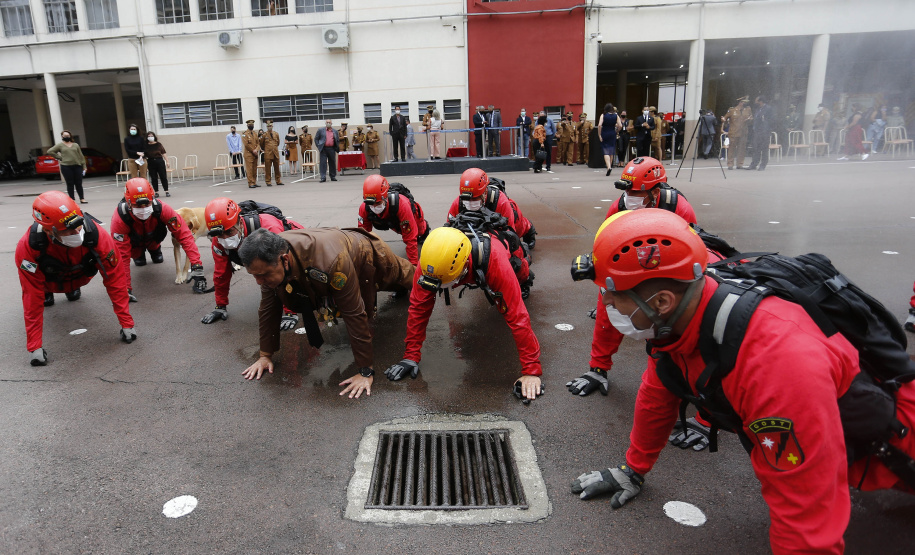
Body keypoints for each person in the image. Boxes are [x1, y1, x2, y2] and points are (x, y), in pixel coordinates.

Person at [570, 208, 915, 554]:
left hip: (900, 451)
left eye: (612, 295)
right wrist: (633, 468)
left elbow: (805, 515)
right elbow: (658, 391)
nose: (607, 302)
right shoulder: (681, 317)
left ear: (661, 301)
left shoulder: (775, 363)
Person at [568, 157, 697, 399]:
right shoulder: (619, 208)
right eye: (625, 190)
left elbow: (689, 257)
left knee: (681, 317)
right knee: (607, 305)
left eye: (635, 191)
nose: (628, 196)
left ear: (656, 191)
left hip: (667, 265)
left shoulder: (679, 209)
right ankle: (598, 368)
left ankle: (685, 375)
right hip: (629, 261)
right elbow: (605, 248)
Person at [238, 227, 415, 399]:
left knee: (406, 278)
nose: (259, 282)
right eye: (254, 275)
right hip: (337, 249)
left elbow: (354, 313)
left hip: (368, 253)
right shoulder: (268, 260)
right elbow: (268, 309)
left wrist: (365, 371)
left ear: (284, 260)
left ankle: (432, 276)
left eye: (263, 275)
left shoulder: (332, 263)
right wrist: (265, 355)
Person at [383, 227, 543, 402]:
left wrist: (531, 370)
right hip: (462, 262)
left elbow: (518, 317)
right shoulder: (432, 263)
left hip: (502, 253)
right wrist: (410, 356)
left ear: (464, 267)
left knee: (521, 272)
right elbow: (418, 309)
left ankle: (524, 262)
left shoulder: (496, 262)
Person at [16, 191, 136, 366]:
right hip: (48, 281)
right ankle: (49, 293)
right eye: (68, 230)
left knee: (74, 295)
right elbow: (31, 296)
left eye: (78, 225)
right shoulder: (28, 248)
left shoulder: (96, 235)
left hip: (79, 276)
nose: (76, 232)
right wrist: (34, 347)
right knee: (42, 299)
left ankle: (72, 289)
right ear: (49, 230)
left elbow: (115, 279)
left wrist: (127, 323)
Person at [199, 196, 303, 326]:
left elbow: (285, 269)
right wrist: (220, 306)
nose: (225, 238)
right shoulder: (219, 240)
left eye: (229, 232)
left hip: (299, 247)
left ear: (240, 223)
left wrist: (290, 311)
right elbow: (221, 274)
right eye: (220, 234)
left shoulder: (269, 227)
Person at [110, 177, 207, 299]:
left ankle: (155, 249)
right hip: (134, 244)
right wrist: (125, 289)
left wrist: (197, 266)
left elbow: (184, 235)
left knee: (157, 256)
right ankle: (139, 254)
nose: (144, 208)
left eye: (147, 204)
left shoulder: (162, 208)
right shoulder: (120, 218)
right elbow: (121, 255)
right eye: (138, 205)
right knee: (139, 260)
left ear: (152, 198)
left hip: (154, 238)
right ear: (128, 203)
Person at [446, 168, 534, 296]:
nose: (470, 203)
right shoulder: (459, 203)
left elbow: (512, 239)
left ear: (485, 192)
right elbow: (449, 232)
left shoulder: (501, 202)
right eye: (467, 200)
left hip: (507, 224)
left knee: (516, 258)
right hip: (482, 233)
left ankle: (525, 280)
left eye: (475, 200)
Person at [357, 175, 429, 266]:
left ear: (386, 197)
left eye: (378, 203)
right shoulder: (364, 208)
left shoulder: (402, 205)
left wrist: (413, 266)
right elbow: (363, 237)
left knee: (419, 232)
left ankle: (425, 229)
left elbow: (410, 238)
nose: (374, 207)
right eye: (371, 203)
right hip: (390, 220)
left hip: (413, 215)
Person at [47, 130, 87, 204]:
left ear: (70, 136)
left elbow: (81, 156)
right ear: (62, 136)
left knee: (79, 183)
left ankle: (82, 198)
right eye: (65, 136)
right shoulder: (60, 145)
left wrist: (84, 166)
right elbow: (50, 151)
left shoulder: (75, 145)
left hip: (77, 166)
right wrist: (60, 158)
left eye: (68, 136)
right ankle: (72, 199)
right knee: (70, 183)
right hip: (66, 167)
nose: (66, 137)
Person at [748, 96, 775, 171]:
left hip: (765, 131)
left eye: (756, 101)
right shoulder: (757, 109)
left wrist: (765, 123)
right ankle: (754, 164)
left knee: (764, 148)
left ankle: (763, 165)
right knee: (756, 148)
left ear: (761, 101)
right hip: (757, 131)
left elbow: (771, 120)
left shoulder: (768, 109)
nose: (755, 102)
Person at [725, 96, 752, 169]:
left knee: (742, 149)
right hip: (734, 132)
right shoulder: (732, 110)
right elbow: (725, 118)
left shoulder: (748, 110)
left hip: (743, 132)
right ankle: (730, 164)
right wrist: (723, 121)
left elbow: (751, 119)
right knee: (732, 149)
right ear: (740, 103)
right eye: (744, 102)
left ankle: (740, 164)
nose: (745, 103)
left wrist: (749, 120)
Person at [144, 131, 170, 198]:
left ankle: (166, 191)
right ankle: (156, 192)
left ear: (154, 137)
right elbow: (143, 154)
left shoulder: (158, 144)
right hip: (150, 161)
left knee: (163, 176)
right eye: (149, 136)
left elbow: (163, 153)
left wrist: (167, 161)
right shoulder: (145, 145)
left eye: (151, 136)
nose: (150, 137)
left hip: (159, 160)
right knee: (153, 177)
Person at [259, 120, 284, 186]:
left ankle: (278, 180)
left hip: (275, 153)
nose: (269, 127)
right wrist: (267, 149)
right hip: (268, 153)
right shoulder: (264, 135)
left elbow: (278, 143)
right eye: (268, 126)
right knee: (268, 168)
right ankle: (268, 181)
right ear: (266, 127)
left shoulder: (276, 134)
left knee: (277, 168)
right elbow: (261, 144)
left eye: (270, 125)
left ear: (272, 126)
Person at [597, 103, 620, 175]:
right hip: (612, 133)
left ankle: (608, 167)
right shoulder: (616, 115)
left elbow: (600, 125)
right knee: (611, 150)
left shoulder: (603, 115)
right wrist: (617, 131)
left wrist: (599, 134)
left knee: (605, 151)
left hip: (605, 133)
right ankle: (610, 166)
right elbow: (620, 125)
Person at [242, 119, 261, 189]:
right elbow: (246, 145)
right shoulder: (245, 134)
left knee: (254, 169)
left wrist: (256, 150)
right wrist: (253, 150)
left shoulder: (255, 133)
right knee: (249, 169)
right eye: (250, 125)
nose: (251, 126)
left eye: (252, 125)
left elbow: (258, 143)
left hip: (255, 154)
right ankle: (250, 183)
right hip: (249, 154)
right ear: (247, 125)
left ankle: (254, 182)